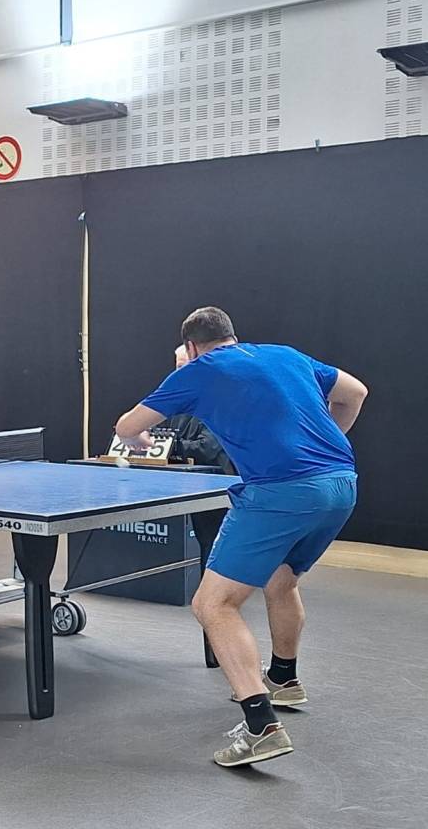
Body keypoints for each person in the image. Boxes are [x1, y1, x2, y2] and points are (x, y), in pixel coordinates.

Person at [114, 307, 367, 767]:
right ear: (233, 335)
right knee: (281, 579)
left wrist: (140, 441)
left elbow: (127, 427)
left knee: (212, 605)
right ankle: (284, 680)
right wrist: (327, 439)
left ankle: (260, 727)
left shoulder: (198, 370)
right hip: (341, 484)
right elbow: (355, 393)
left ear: (190, 346)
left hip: (281, 493)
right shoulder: (285, 355)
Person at [165, 345, 234, 558]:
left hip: (219, 487)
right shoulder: (177, 401)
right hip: (188, 485)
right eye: (178, 367)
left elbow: (208, 448)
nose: (181, 373)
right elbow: (162, 433)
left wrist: (170, 447)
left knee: (213, 546)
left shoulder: (223, 401)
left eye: (186, 366)